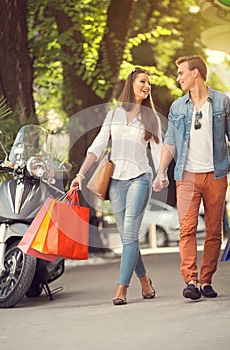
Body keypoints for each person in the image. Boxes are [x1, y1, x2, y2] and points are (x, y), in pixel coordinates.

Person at [71, 67, 163, 305]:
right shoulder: (114, 115)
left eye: (149, 83)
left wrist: (161, 174)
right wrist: (80, 174)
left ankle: (122, 287)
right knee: (127, 237)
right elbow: (97, 145)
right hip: (115, 182)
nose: (147, 86)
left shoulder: (150, 118)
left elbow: (158, 151)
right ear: (131, 84)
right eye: (143, 81)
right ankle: (145, 281)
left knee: (130, 233)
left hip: (140, 178)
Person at [153, 55, 230, 300]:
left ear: (195, 73)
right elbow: (170, 141)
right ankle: (191, 280)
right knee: (187, 229)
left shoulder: (222, 102)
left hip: (216, 174)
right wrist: (161, 171)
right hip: (187, 176)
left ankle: (206, 280)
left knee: (214, 231)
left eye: (181, 72)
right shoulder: (178, 107)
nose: (178, 77)